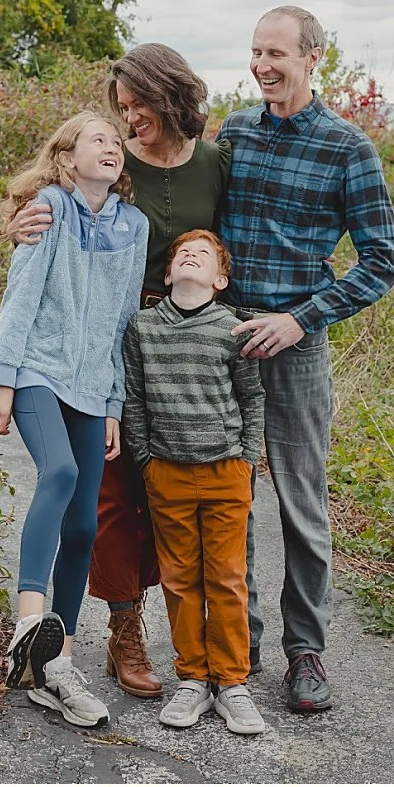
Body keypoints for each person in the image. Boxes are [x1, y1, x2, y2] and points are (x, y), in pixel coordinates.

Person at [8, 44, 237, 700]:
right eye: (123, 108)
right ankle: (122, 628)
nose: (130, 119)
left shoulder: (215, 163)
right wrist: (20, 222)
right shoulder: (114, 160)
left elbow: (232, 240)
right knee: (108, 493)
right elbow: (59, 201)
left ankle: (211, 634)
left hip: (184, 337)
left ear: (170, 96)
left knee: (168, 482)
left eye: (139, 106)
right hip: (110, 333)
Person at [218, 3, 394, 715]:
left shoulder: (347, 148)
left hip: (295, 346)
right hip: (226, 340)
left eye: (276, 54)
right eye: (256, 51)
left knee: (301, 502)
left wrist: (300, 320)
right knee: (231, 497)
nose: (262, 65)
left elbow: (382, 261)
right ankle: (240, 641)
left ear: (312, 58)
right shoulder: (234, 131)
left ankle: (306, 652)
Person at [0, 109, 149, 731]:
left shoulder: (133, 226)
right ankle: (28, 624)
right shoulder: (49, 208)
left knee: (83, 524)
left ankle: (57, 665)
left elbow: (122, 321)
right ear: (66, 156)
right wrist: (1, 377)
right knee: (58, 472)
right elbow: (21, 295)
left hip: (91, 387)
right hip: (36, 369)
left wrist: (113, 405)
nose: (112, 147)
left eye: (116, 141)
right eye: (97, 139)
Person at [122, 230, 267, 735]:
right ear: (167, 274)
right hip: (167, 471)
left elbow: (251, 397)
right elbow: (134, 397)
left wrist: (247, 459)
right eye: (182, 253)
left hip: (226, 470)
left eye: (203, 254)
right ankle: (193, 679)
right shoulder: (143, 327)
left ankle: (232, 683)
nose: (190, 256)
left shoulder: (233, 328)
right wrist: (145, 459)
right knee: (180, 578)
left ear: (219, 279)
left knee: (226, 577)